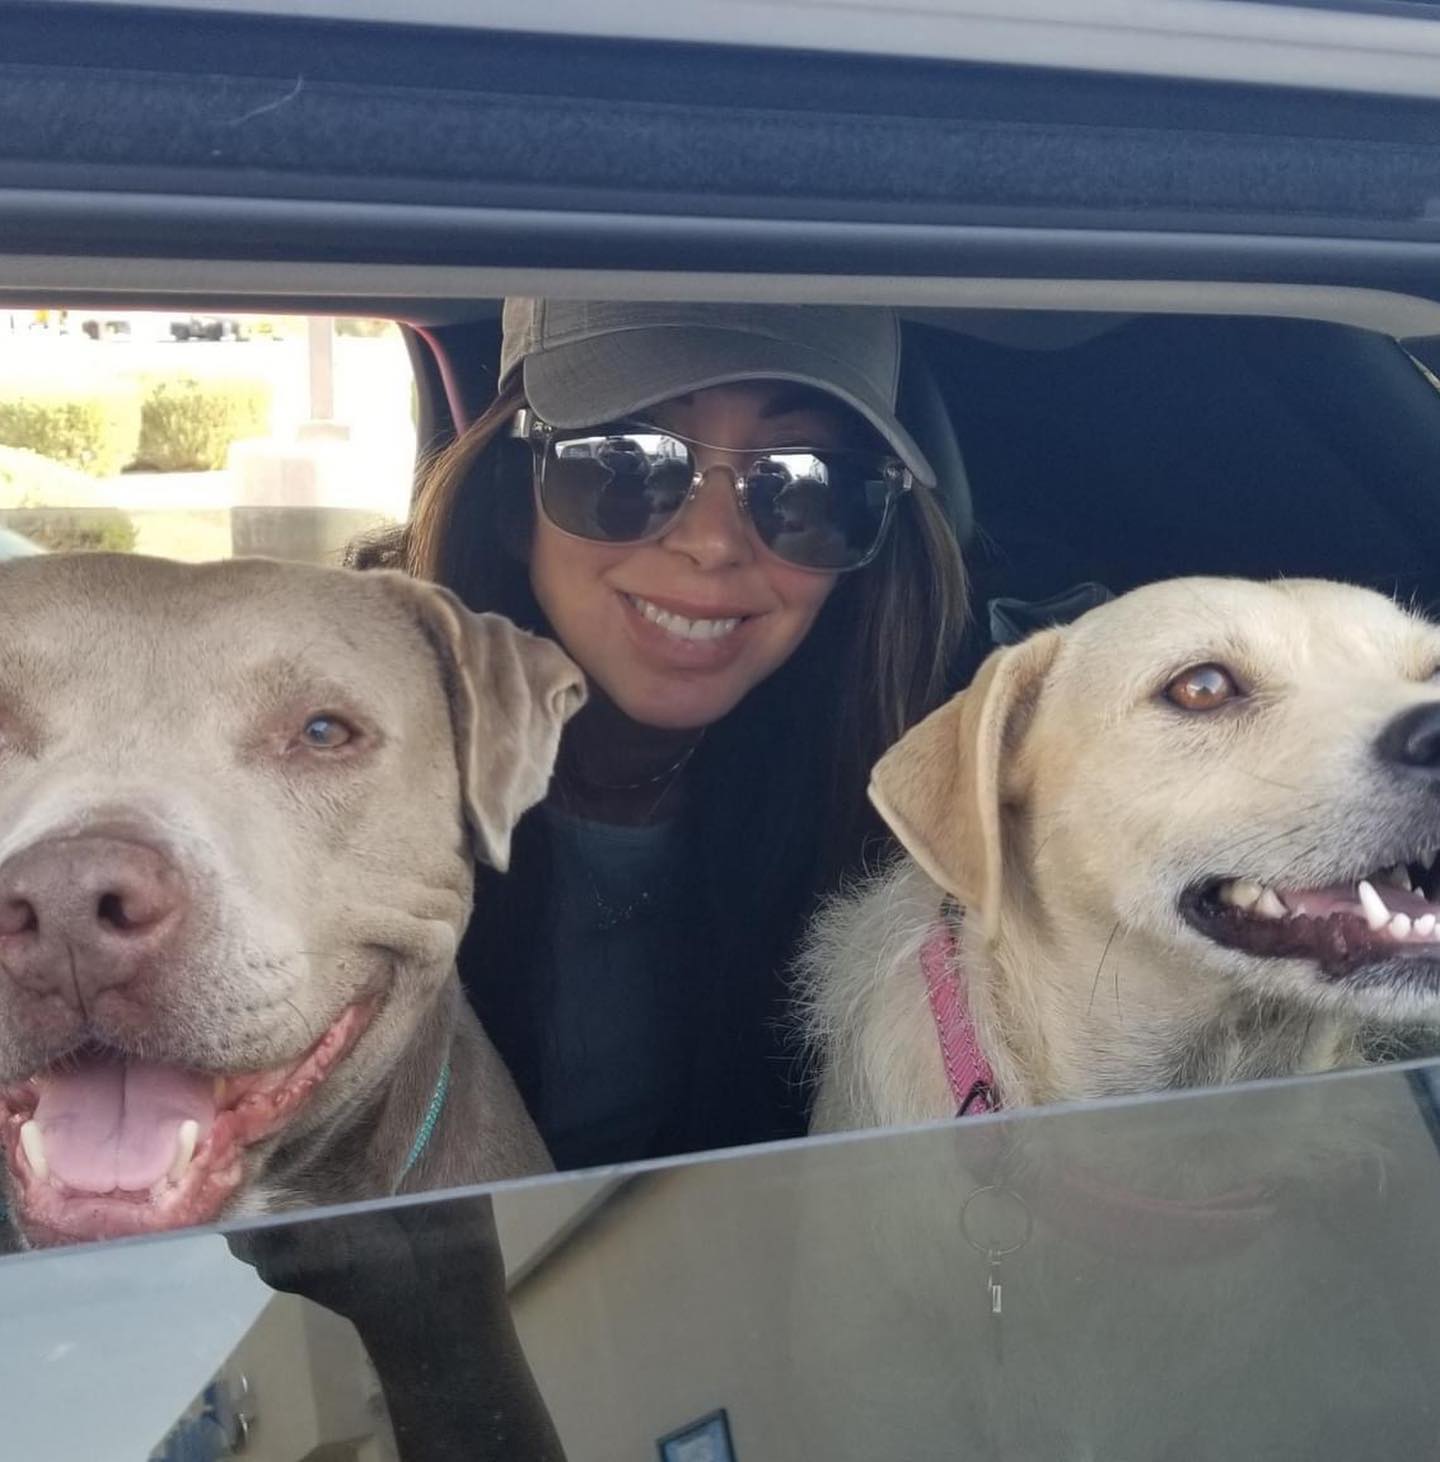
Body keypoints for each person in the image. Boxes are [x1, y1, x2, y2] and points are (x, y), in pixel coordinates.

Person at [354, 298, 967, 1168]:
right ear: (511, 499)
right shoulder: (339, 785)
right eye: (624, 461)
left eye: (805, 484)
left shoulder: (905, 829)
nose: (713, 543)